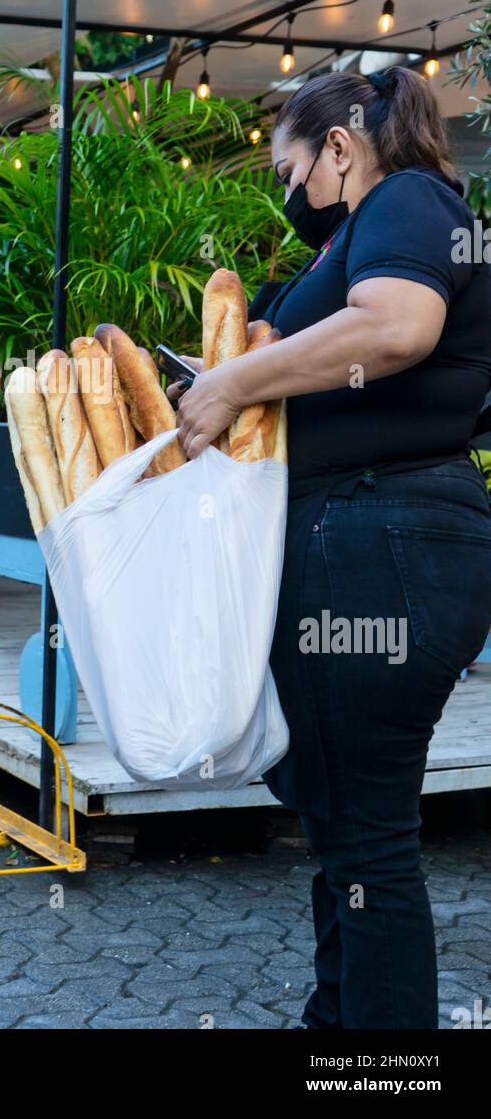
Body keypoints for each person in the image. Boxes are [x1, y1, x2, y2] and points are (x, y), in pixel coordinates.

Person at [172, 66, 491, 1030]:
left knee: (368, 843)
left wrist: (231, 387)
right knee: (347, 831)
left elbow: (396, 326)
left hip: (381, 543)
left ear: (342, 148)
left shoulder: (408, 197)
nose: (287, 194)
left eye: (290, 170)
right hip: (368, 542)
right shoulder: (380, 227)